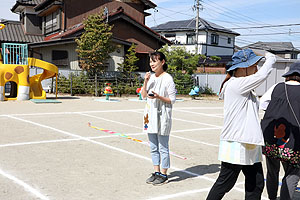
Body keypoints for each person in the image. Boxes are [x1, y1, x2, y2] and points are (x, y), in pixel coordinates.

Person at [206, 49, 276, 200]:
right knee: (225, 183)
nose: (256, 68)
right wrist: (267, 54)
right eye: (254, 65)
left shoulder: (240, 85)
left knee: (256, 183)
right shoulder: (236, 84)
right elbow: (264, 73)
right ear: (243, 67)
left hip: (247, 141)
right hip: (236, 142)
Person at [260, 62, 300, 200]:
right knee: (292, 173)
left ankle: (272, 198)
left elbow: (263, 103)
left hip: (271, 140)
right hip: (294, 143)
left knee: (272, 172)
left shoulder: (276, 87)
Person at [141, 51, 176, 186]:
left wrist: (158, 97)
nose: (152, 64)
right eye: (150, 61)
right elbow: (143, 95)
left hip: (162, 116)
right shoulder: (151, 77)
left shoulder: (168, 78)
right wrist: (145, 81)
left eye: (154, 61)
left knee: (163, 147)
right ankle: (156, 171)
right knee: (153, 147)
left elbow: (172, 100)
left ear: (162, 62)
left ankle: (164, 174)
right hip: (150, 116)